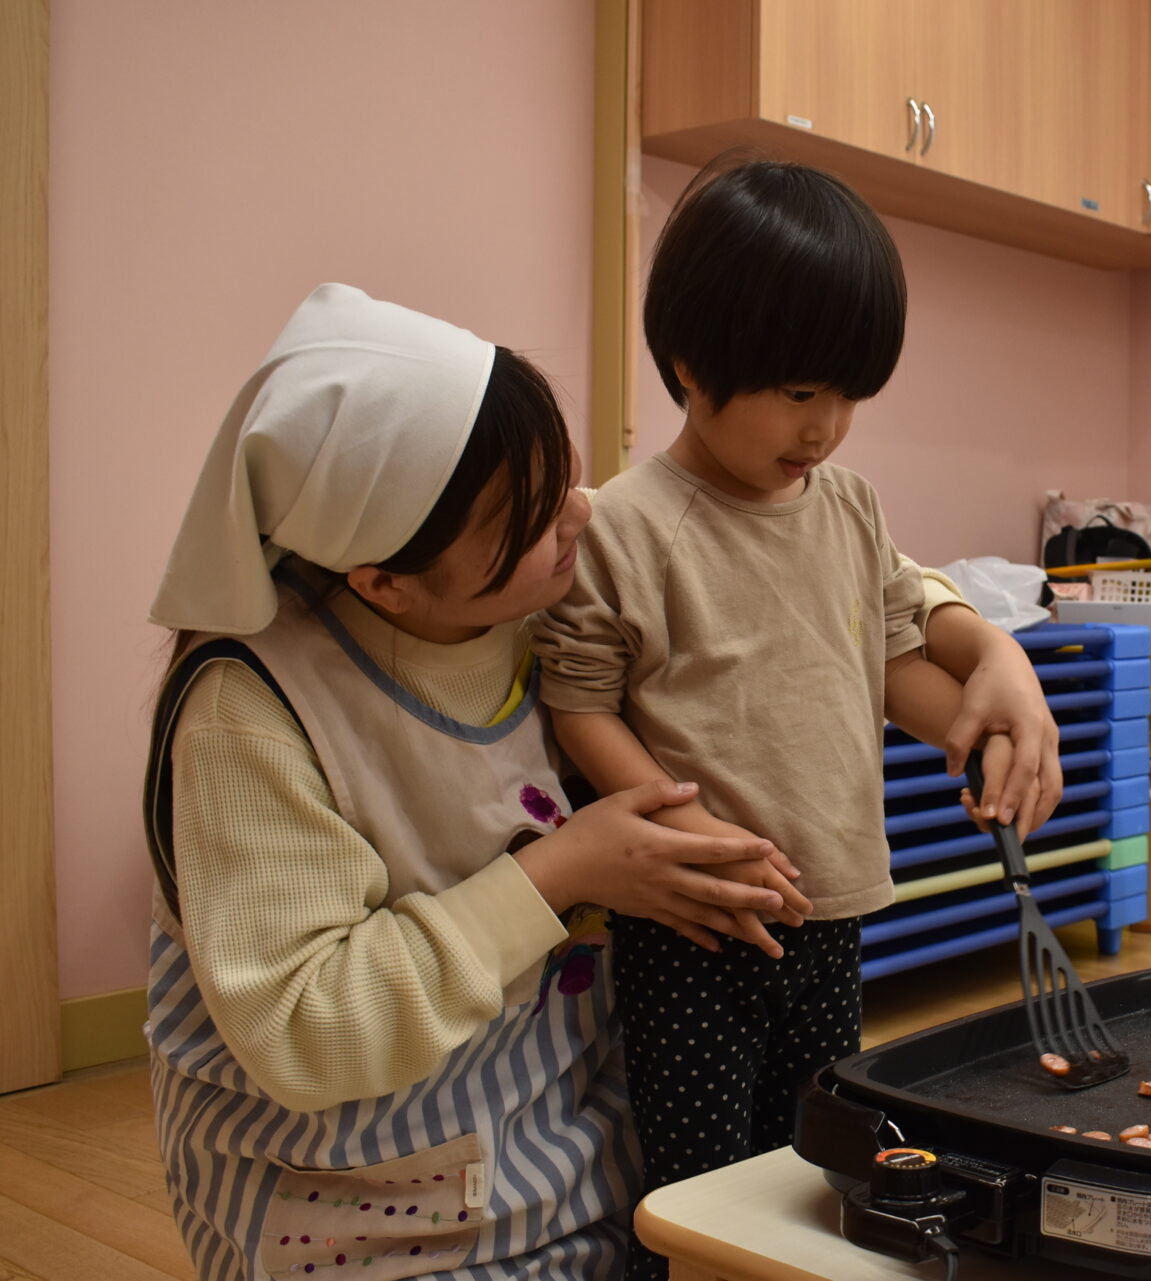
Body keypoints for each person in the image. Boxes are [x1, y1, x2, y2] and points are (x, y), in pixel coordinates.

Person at [142, 283, 1057, 1280]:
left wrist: (991, 653)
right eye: (530, 517)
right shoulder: (249, 713)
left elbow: (817, 565)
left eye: (568, 475)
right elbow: (306, 1030)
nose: (582, 513)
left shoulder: (540, 585)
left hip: (586, 1158)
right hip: (374, 1211)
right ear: (384, 583)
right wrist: (563, 870)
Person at [530, 158, 1057, 1281]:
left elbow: (890, 663)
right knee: (702, 1183)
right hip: (696, 920)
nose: (826, 428)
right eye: (800, 392)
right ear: (692, 363)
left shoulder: (849, 509)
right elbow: (579, 702)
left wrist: (985, 728)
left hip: (833, 905)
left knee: (817, 1155)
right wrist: (685, 835)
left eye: (850, 397)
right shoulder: (629, 524)